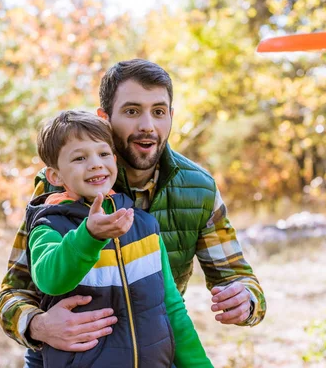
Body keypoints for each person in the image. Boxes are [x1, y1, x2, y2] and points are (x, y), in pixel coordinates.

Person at [0, 59, 266, 366]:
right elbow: (12, 292)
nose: (147, 125)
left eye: (159, 111)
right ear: (105, 118)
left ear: (171, 117)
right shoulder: (64, 187)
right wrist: (38, 325)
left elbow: (233, 280)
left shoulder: (198, 188)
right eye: (132, 111)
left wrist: (247, 300)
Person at [24, 110, 212, 367]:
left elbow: (172, 309)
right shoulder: (49, 225)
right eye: (79, 158)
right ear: (55, 176)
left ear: (114, 159)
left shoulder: (144, 225)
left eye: (103, 154)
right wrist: (89, 236)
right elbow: (50, 280)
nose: (95, 164)